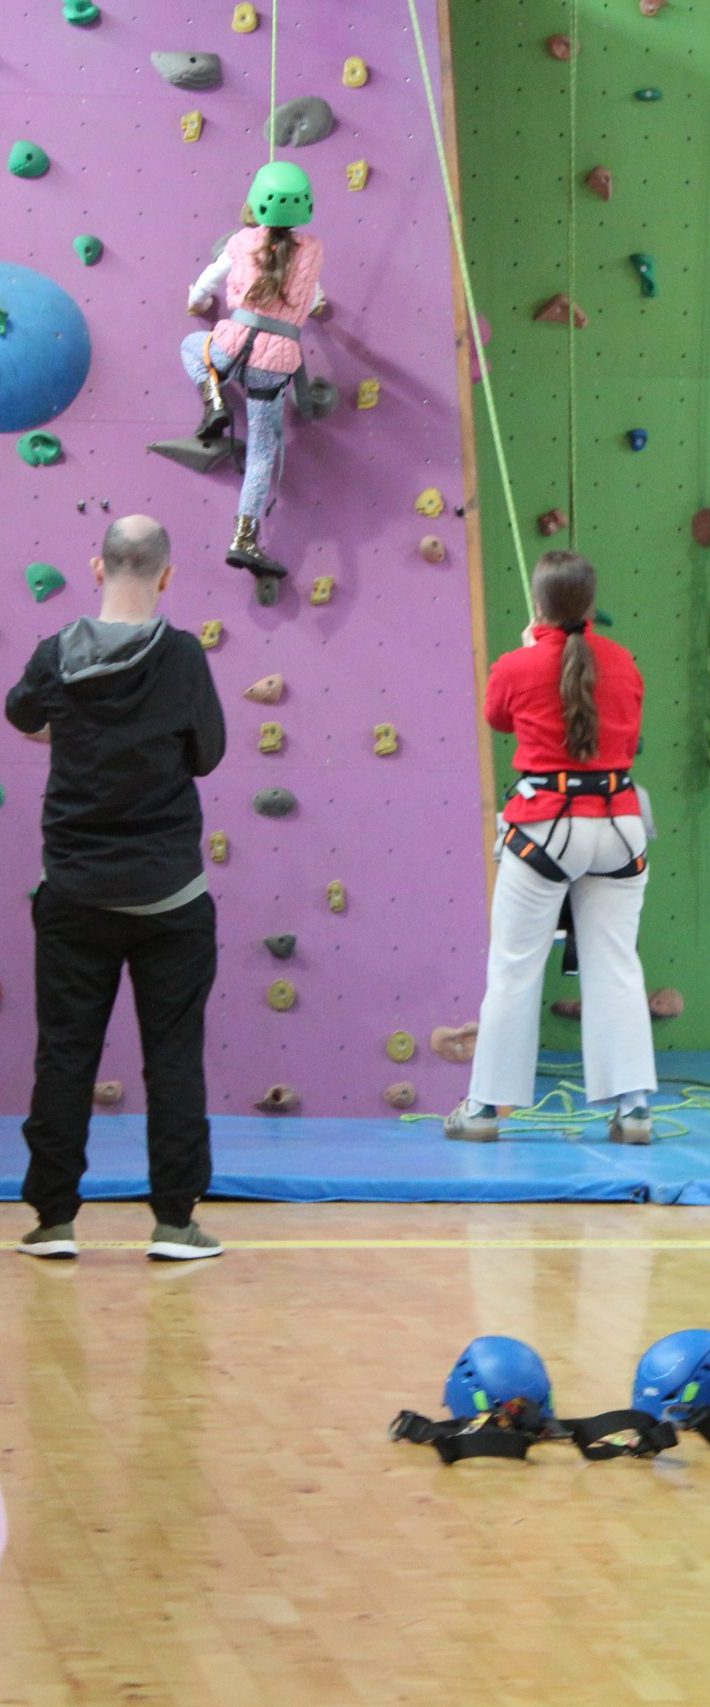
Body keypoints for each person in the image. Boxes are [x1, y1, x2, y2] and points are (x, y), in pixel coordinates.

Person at [5, 517, 226, 1261]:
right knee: (172, 1054)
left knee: (65, 1052)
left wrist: (69, 733)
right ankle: (174, 1221)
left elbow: (21, 714)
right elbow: (208, 755)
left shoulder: (55, 654)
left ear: (97, 566)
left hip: (74, 892)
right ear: (165, 575)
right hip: (169, 896)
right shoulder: (185, 657)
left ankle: (53, 1218)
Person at [444, 550, 657, 1145]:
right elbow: (629, 731)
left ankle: (485, 1108)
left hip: (544, 827)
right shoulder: (624, 663)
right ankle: (634, 1107)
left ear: (539, 604)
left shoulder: (516, 664)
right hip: (617, 824)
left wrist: (532, 647)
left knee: (515, 967)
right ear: (591, 605)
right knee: (616, 965)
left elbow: (498, 719)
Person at [182, 161, 326, 590]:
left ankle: (214, 398)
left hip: (231, 343)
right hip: (275, 361)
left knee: (191, 348)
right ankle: (244, 536)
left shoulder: (242, 242)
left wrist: (196, 301)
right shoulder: (313, 250)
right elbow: (315, 296)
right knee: (262, 452)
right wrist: (313, 305)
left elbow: (205, 285)